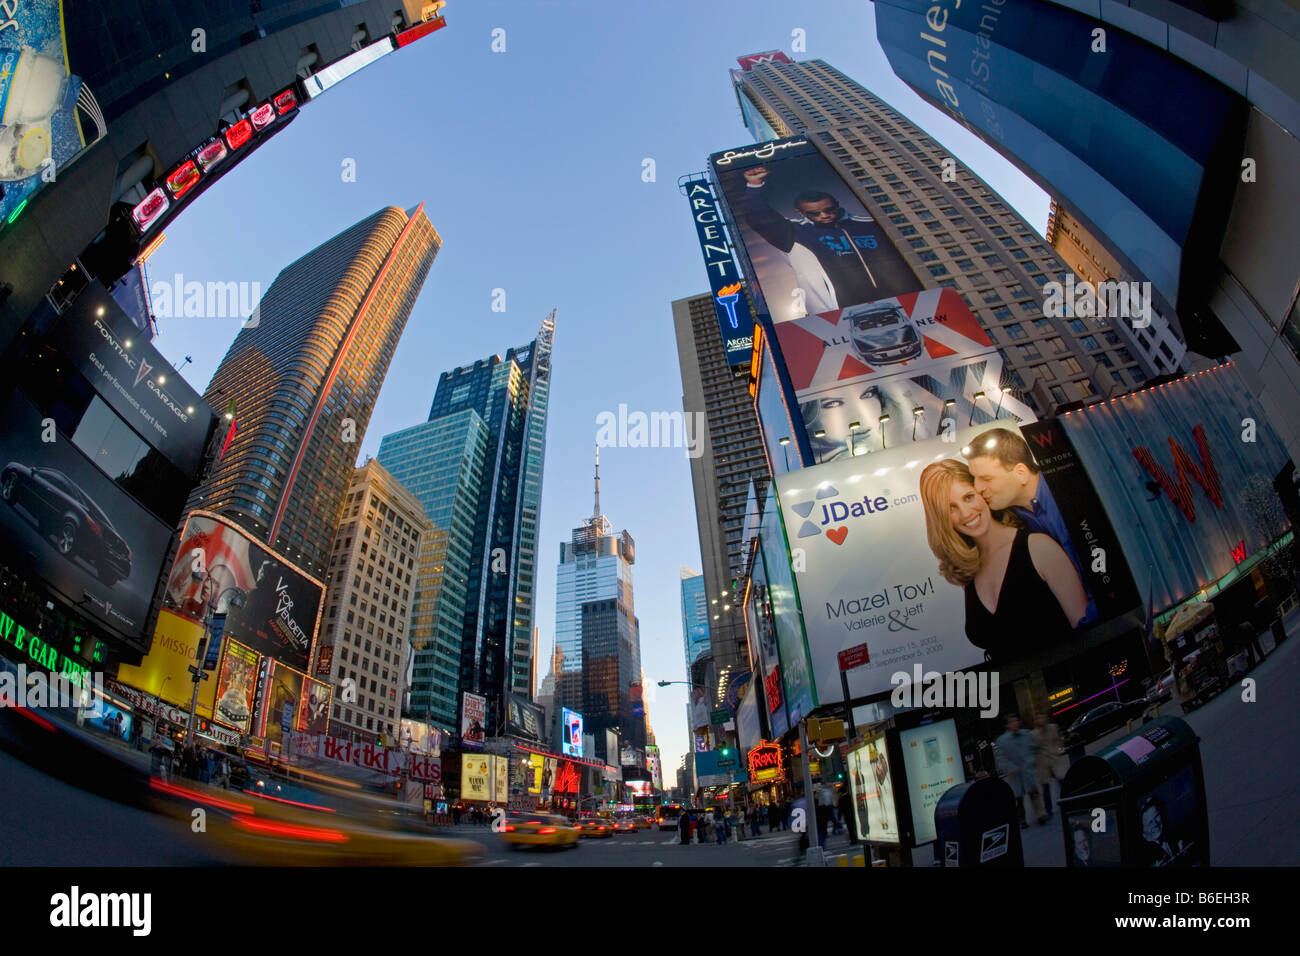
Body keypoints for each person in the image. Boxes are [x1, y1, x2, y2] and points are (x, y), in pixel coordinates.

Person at [919, 459, 1089, 661]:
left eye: (969, 497)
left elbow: (1089, 631)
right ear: (941, 519)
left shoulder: (1038, 547)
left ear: (982, 493)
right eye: (951, 508)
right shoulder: (969, 570)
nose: (965, 513)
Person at [736, 164, 916, 314]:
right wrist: (754, 186)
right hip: (839, 315)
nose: (824, 215)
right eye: (815, 213)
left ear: (837, 205)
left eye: (829, 210)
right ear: (801, 213)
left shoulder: (869, 224)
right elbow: (758, 218)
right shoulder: (795, 232)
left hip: (904, 303)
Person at [962, 428, 1097, 624]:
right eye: (975, 478)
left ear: (1021, 473)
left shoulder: (1068, 500)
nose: (978, 488)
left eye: (987, 478)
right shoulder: (1015, 517)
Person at [994, 715, 1046, 827]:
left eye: (1016, 721)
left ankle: (1040, 814)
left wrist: (1032, 760)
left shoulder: (1026, 734)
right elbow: (1000, 758)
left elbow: (1033, 748)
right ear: (1007, 725)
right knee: (1018, 798)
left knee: (1034, 793)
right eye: (1012, 722)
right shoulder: (1002, 741)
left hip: (1027, 769)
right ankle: (1022, 819)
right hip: (1015, 772)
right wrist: (1009, 767)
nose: (1015, 723)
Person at [1031, 713, 1067, 817]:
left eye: (1042, 717)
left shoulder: (1053, 727)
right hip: (1042, 762)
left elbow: (1058, 740)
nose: (1041, 720)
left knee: (1061, 781)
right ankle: (1049, 809)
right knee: (1046, 787)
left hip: (1054, 759)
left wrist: (1057, 750)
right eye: (1038, 718)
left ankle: (1066, 800)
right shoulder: (1033, 734)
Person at [1138, 797, 1189, 866]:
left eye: (1156, 816)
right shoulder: (1145, 857)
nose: (1155, 824)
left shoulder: (1176, 836)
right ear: (1143, 833)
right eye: (1150, 823)